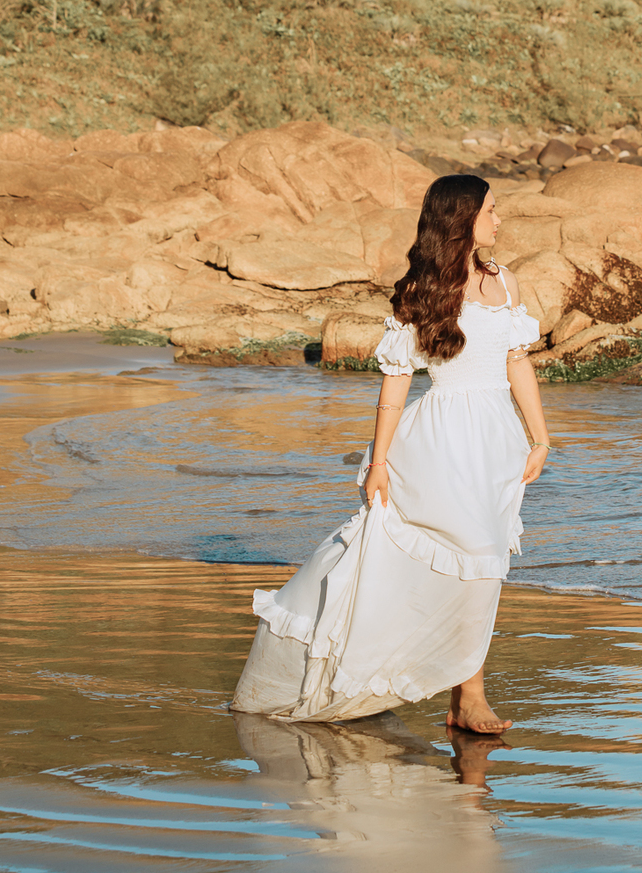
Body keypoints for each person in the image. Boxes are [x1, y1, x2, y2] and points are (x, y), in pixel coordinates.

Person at [233, 173, 550, 734]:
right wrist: (378, 464)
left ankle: (463, 697)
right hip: (441, 441)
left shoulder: (506, 281)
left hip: (497, 442)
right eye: (490, 210)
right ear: (462, 219)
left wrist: (540, 437)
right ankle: (467, 695)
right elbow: (396, 384)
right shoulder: (424, 290)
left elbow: (516, 362)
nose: (499, 220)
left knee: (483, 566)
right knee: (469, 557)